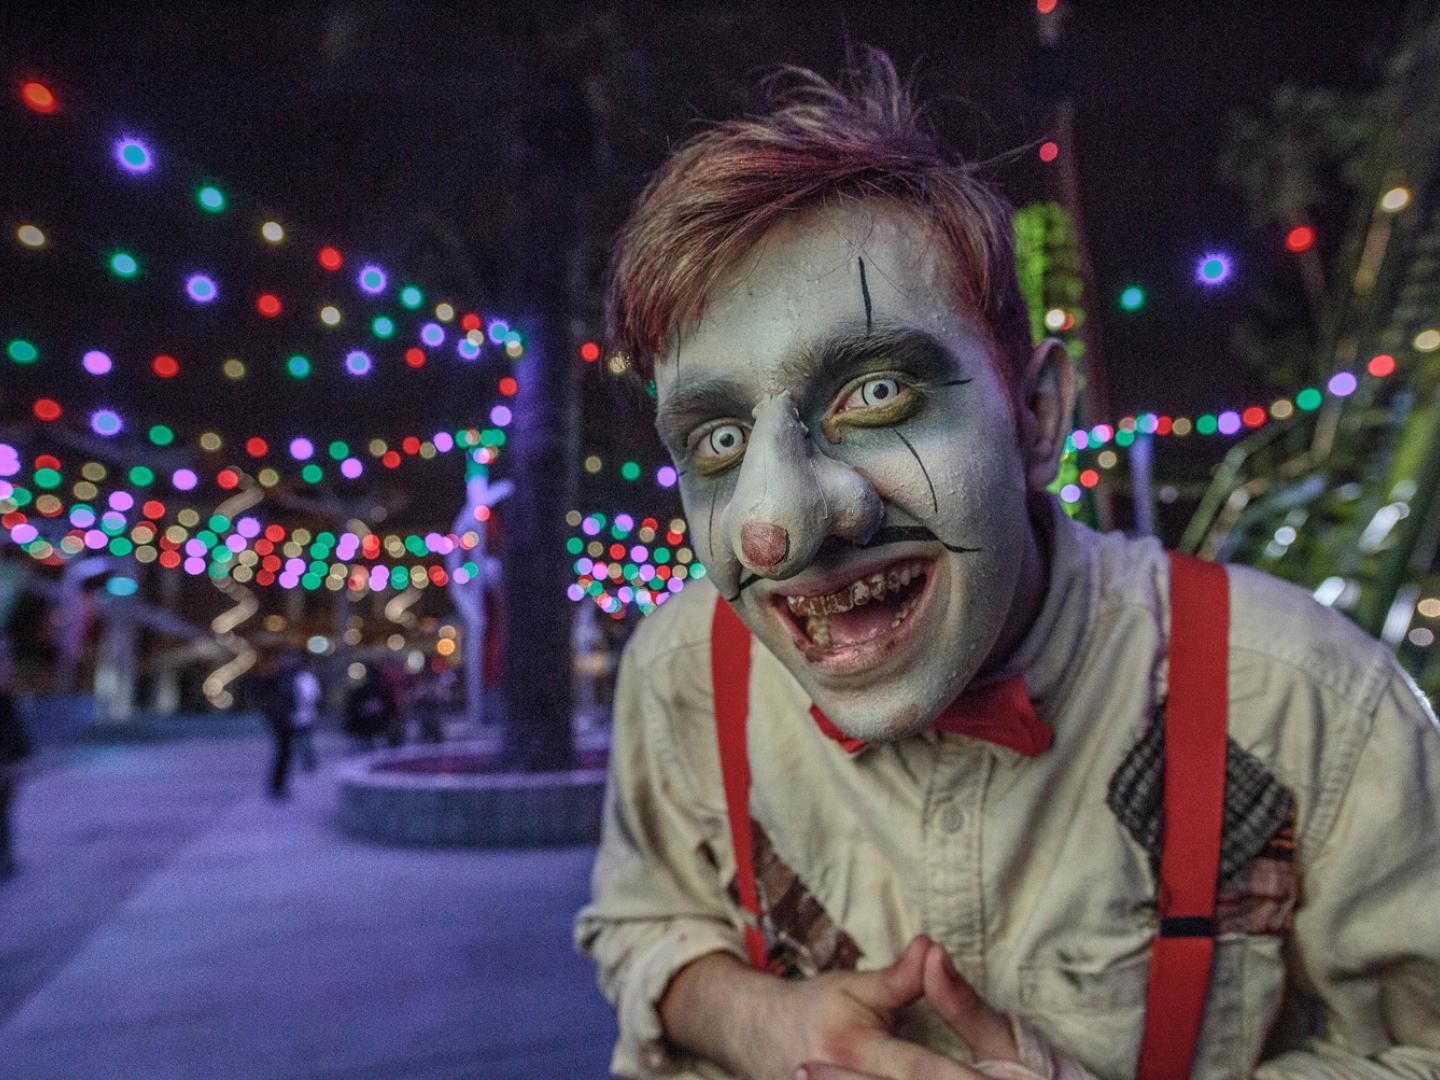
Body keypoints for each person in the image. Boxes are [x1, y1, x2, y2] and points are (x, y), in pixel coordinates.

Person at [574, 53, 1440, 1080]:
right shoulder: (679, 670)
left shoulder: (1307, 703)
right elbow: (639, 921)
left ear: (1037, 417)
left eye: (880, 392)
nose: (774, 531)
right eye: (716, 442)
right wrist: (762, 1022)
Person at [0, 637, 31, 879]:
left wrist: (15, 768)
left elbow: (19, 741)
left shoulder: (7, 702)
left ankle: (4, 858)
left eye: (6, 657)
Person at [260, 651, 301, 800]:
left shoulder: (289, 677)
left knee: (286, 754)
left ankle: (279, 785)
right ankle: (277, 786)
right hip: (281, 721)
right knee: (283, 754)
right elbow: (269, 700)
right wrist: (277, 715)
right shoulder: (278, 678)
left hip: (287, 720)